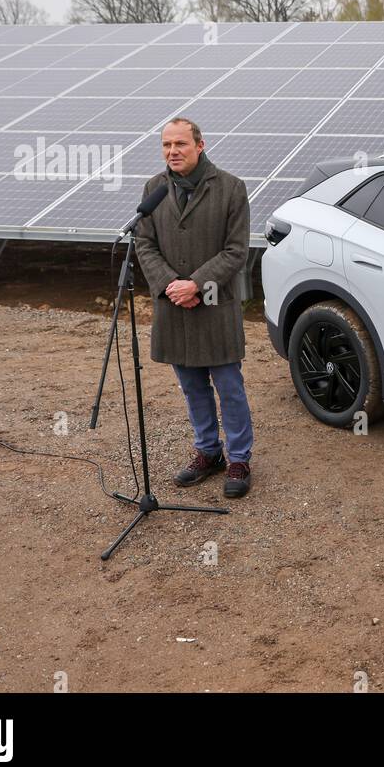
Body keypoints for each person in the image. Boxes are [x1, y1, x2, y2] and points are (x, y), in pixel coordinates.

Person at [134, 117, 254, 498]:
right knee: (192, 387)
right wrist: (171, 285)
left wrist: (196, 284)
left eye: (180, 144)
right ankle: (207, 452)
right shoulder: (153, 189)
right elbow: (144, 243)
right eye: (166, 145)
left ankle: (238, 458)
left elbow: (236, 250)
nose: (172, 151)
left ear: (200, 145)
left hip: (215, 305)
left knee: (229, 387)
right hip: (174, 306)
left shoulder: (231, 189)